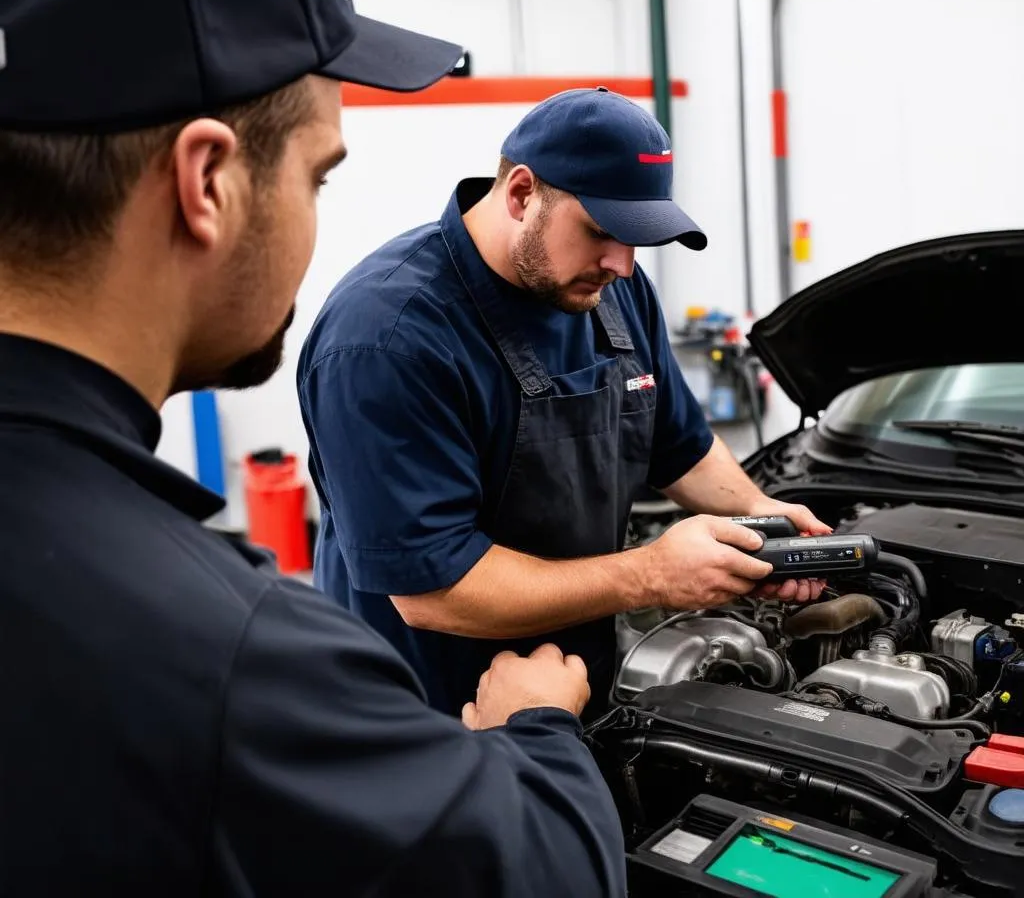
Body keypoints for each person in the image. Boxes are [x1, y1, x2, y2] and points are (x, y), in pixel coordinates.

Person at [0, 0, 629, 895]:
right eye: (317, 175)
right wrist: (541, 733)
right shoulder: (226, 659)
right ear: (206, 183)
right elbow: (547, 870)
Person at [298, 87, 832, 721]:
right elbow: (435, 591)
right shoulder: (386, 339)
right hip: (428, 714)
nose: (623, 266)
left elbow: (680, 447)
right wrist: (653, 574)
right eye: (603, 232)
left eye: (638, 240)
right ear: (523, 193)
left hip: (579, 687)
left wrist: (762, 519)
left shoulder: (611, 291)